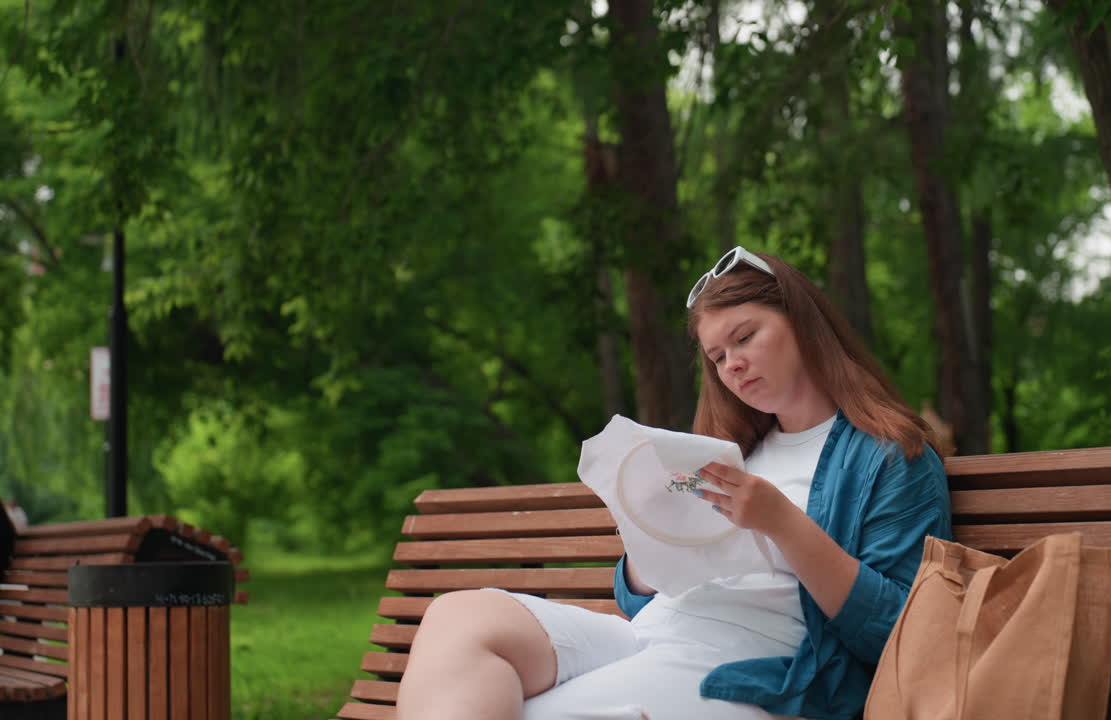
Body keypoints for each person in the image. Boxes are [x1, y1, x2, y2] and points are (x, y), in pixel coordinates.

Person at [396, 246, 952, 720]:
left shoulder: (890, 457)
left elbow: (898, 633)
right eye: (718, 355)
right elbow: (646, 598)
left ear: (803, 322)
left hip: (755, 661)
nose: (732, 364)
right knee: (459, 617)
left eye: (745, 336)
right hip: (648, 634)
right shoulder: (730, 450)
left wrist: (782, 523)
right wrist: (647, 548)